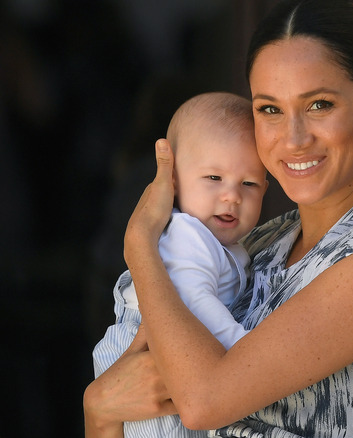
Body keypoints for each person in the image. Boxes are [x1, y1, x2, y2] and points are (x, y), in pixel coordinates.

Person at [82, 0, 353, 437]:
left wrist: (140, 244)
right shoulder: (258, 243)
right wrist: (98, 409)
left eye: (319, 104)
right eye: (270, 109)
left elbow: (203, 401)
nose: (293, 139)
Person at [92, 91, 268, 437]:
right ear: (172, 182)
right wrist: (246, 354)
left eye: (248, 184)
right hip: (146, 358)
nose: (232, 195)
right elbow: (195, 302)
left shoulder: (228, 244)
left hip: (171, 359)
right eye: (214, 178)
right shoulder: (188, 236)